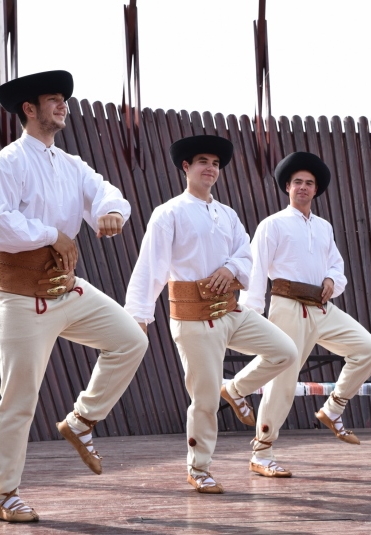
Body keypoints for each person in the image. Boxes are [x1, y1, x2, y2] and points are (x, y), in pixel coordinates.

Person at [0, 70, 149, 522]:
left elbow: (105, 192)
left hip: (66, 288)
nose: (63, 106)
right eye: (53, 100)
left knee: (131, 339)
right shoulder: (7, 163)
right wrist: (53, 233)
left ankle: (81, 421)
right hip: (20, 296)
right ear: (29, 110)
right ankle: (3, 492)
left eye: (63, 100)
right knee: (19, 397)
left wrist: (112, 210)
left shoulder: (71, 164)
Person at [124, 134, 298, 494]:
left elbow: (246, 253)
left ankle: (235, 389)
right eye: (203, 161)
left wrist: (233, 269)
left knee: (285, 351)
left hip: (231, 311)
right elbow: (150, 268)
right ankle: (199, 467)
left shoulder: (228, 214)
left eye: (216, 164)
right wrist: (138, 318)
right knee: (203, 399)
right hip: (192, 319)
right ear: (186, 167)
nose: (211, 169)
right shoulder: (168, 212)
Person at [239, 151, 371, 477]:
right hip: (288, 308)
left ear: (316, 190)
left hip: (322, 307)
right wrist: (252, 315)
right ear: (287, 187)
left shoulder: (323, 227)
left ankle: (333, 408)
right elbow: (256, 270)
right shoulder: (272, 225)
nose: (303, 187)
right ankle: (261, 454)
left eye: (309, 183)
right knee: (282, 382)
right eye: (297, 182)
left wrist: (332, 279)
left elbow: (336, 265)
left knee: (368, 349)